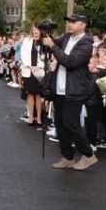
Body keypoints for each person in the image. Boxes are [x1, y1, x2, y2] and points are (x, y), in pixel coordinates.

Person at [42, 14, 100, 171]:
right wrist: (45, 34)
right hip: (59, 88)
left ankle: (88, 155)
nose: (70, 25)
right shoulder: (67, 37)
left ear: (83, 25)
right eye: (69, 22)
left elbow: (71, 62)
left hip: (75, 89)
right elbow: (51, 44)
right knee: (60, 125)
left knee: (71, 124)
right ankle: (67, 157)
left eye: (73, 22)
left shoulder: (86, 43)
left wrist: (52, 46)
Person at [18, 26, 48, 129]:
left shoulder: (43, 41)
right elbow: (23, 55)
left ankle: (39, 118)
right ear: (31, 31)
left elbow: (45, 57)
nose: (36, 32)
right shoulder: (27, 41)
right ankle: (31, 117)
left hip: (39, 72)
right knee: (30, 95)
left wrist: (39, 66)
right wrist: (30, 66)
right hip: (28, 71)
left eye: (37, 30)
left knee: (38, 95)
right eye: (34, 30)